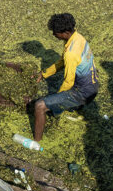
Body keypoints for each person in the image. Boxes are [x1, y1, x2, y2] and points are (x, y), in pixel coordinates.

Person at [34, 13, 99, 142]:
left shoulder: (71, 53)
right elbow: (62, 62)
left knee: (39, 105)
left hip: (83, 93)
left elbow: (68, 82)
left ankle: (36, 142)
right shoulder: (78, 38)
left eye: (55, 32)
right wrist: (44, 73)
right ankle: (71, 107)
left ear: (65, 32)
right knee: (54, 100)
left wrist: (55, 101)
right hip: (93, 84)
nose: (53, 35)